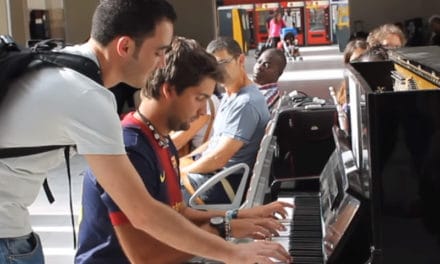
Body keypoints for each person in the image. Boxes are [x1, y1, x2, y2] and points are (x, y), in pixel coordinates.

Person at [0, 1, 290, 263]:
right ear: (125, 47)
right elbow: (144, 214)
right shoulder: (88, 97)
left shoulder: (60, 65)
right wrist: (232, 249)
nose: (163, 63)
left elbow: (168, 212)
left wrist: (231, 221)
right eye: (159, 52)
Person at [76, 36, 293, 264]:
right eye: (200, 98)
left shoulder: (160, 139)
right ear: (169, 90)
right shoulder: (130, 151)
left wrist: (236, 216)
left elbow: (179, 215)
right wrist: (225, 236)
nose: (203, 112)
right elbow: (145, 257)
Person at [180, 37, 271, 204]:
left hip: (223, 183)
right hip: (215, 176)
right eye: (211, 67)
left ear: (241, 60)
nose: (217, 70)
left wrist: (182, 171)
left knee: (159, 194)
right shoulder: (231, 96)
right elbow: (216, 141)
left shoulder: (246, 104)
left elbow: (219, 158)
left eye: (222, 63)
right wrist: (186, 161)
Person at [336, 39, 369, 105]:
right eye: (356, 60)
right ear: (347, 63)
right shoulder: (346, 91)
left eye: (365, 59)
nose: (361, 64)